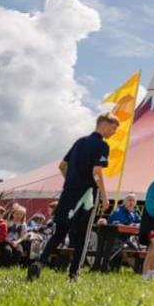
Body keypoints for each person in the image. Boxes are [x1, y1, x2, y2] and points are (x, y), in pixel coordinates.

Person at [29, 113, 116, 281]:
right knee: (83, 236)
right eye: (113, 128)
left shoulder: (79, 142)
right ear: (104, 124)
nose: (114, 132)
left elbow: (62, 166)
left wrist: (71, 181)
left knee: (59, 232)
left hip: (68, 192)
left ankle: (40, 262)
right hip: (87, 196)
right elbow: (96, 171)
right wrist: (105, 197)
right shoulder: (102, 145)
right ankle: (74, 274)